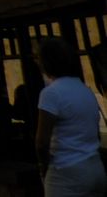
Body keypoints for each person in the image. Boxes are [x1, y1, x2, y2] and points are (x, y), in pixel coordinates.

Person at [35, 37, 107, 197]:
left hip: (66, 172)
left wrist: (43, 169)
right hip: (95, 166)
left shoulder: (51, 94)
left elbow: (41, 142)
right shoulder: (85, 90)